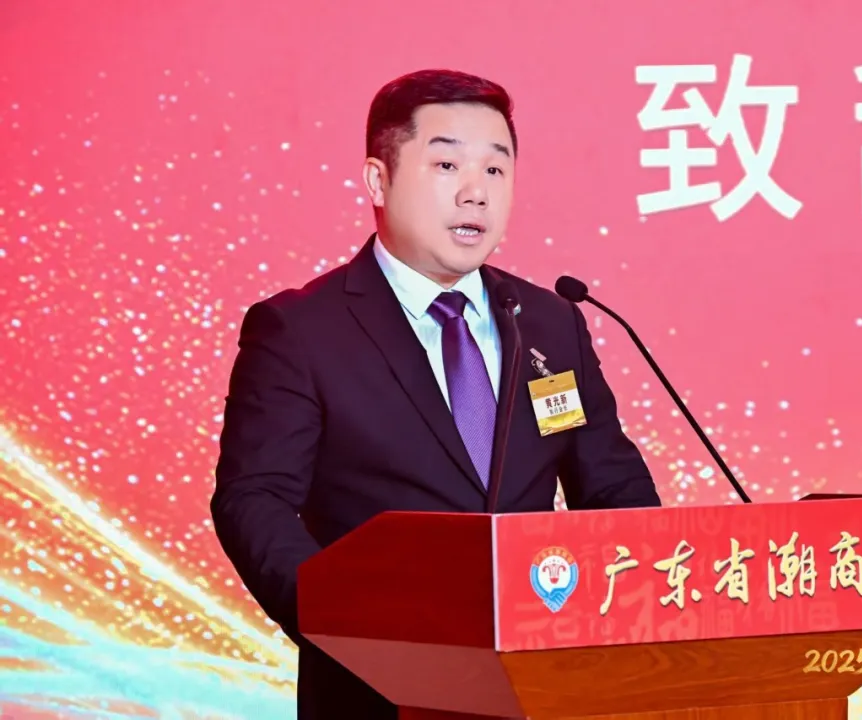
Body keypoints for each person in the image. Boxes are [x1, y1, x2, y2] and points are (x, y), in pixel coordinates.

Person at [210, 68, 661, 719]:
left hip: (546, 686)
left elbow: (612, 487)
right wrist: (345, 626)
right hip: (379, 690)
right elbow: (255, 499)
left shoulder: (548, 321)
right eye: (447, 165)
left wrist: (647, 601)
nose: (476, 193)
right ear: (378, 180)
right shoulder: (301, 330)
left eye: (496, 169)